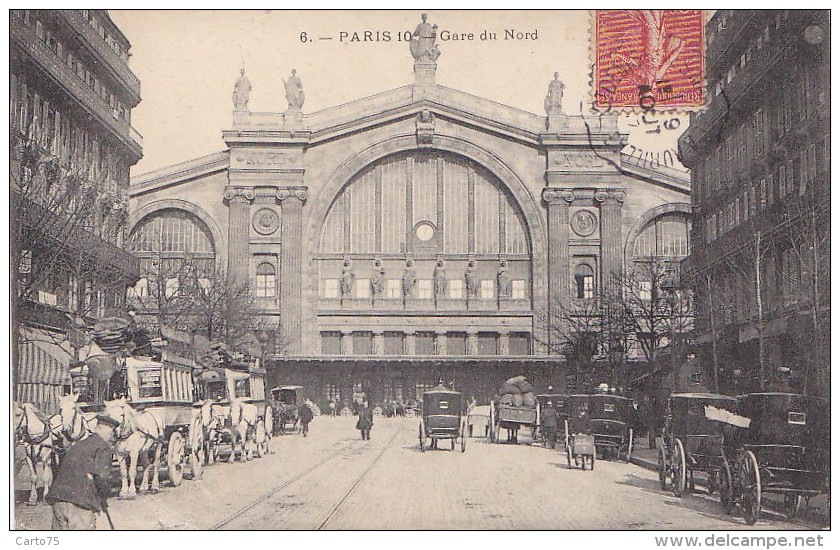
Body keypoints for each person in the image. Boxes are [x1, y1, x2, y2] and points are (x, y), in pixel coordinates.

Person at [46, 414, 119, 530]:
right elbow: (102, 477)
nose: (111, 437)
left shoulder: (78, 444)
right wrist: (104, 496)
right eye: (111, 433)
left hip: (58, 500)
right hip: (80, 503)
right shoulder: (103, 446)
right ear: (104, 430)